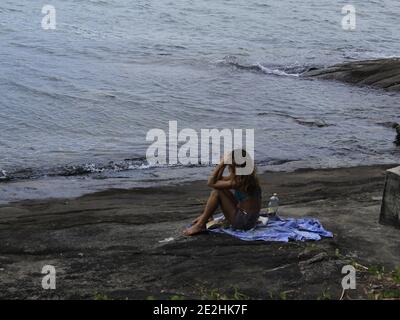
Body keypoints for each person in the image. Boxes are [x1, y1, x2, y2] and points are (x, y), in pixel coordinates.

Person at [184, 149, 262, 236]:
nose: (229, 168)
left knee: (217, 192)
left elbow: (211, 183)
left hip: (243, 222)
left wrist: (221, 164)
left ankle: (200, 225)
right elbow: (218, 180)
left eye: (230, 165)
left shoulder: (239, 181)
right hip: (249, 219)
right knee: (221, 189)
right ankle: (205, 217)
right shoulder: (246, 177)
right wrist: (223, 164)